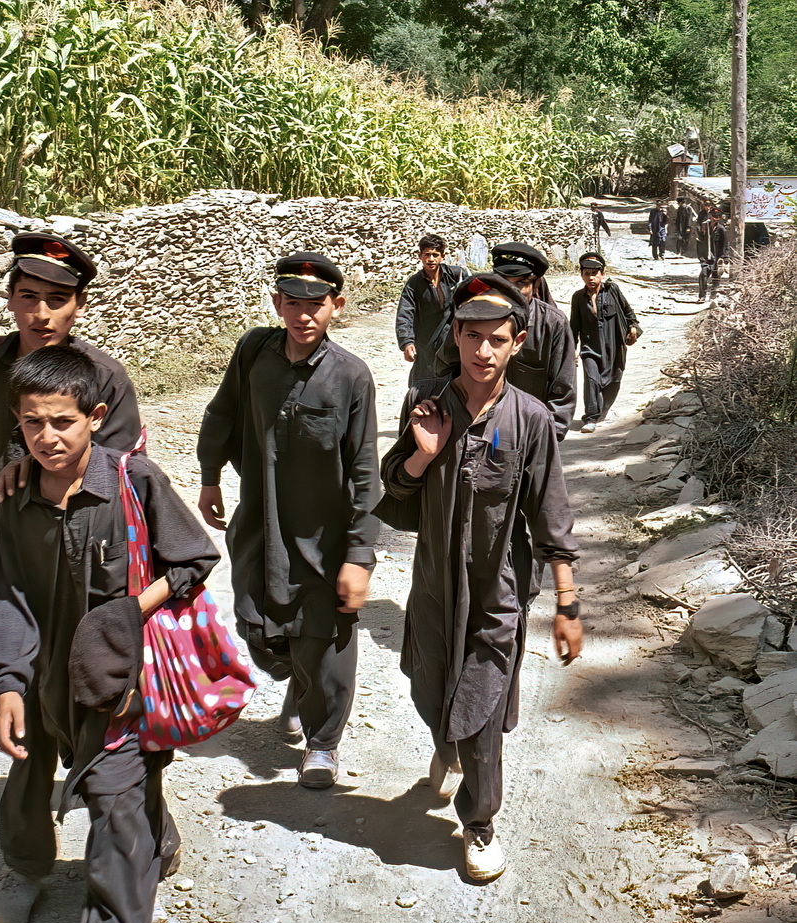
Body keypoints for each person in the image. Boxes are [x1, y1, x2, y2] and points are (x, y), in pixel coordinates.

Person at [0, 346, 219, 923]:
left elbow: (195, 558)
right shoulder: (19, 501)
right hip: (47, 683)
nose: (48, 438)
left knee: (115, 807)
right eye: (32, 425)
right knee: (60, 782)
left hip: (122, 684)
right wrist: (6, 686)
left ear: (96, 416)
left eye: (63, 422)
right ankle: (91, 851)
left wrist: (127, 612)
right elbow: (8, 598)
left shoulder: (135, 483)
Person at [378, 274, 582, 882]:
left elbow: (550, 512)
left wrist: (567, 602)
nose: (483, 352)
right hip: (436, 587)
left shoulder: (531, 420)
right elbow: (393, 490)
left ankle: (480, 823)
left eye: (496, 339)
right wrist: (422, 451)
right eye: (471, 336)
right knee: (432, 684)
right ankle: (449, 745)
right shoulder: (429, 404)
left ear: (517, 342)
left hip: (498, 592)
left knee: (484, 709)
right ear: (456, 337)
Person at [196, 252, 379, 789]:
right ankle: (298, 682)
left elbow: (366, 470)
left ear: (336, 307)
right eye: (292, 302)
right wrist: (210, 475)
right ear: (276, 303)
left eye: (315, 304)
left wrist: (360, 555)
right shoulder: (254, 353)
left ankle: (323, 744)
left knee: (322, 635)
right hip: (261, 523)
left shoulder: (351, 377)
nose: (303, 314)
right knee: (261, 630)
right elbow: (222, 411)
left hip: (325, 535)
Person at [0, 233, 141, 624]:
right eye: (29, 296)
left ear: (79, 306)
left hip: (86, 555)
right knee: (12, 667)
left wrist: (34, 465)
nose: (42, 315)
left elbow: (126, 474)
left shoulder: (105, 377)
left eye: (58, 299)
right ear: (11, 299)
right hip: (8, 553)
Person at [490, 243, 576, 440]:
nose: (512, 290)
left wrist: (550, 436)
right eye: (504, 282)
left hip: (531, 432)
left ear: (535, 285)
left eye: (521, 283)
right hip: (482, 429)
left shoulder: (553, 323)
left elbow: (564, 386)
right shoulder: (475, 317)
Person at [569, 252, 642, 433]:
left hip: (614, 346)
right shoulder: (578, 297)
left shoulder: (613, 291)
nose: (591, 278)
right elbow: (574, 326)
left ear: (602, 274)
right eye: (587, 273)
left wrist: (633, 329)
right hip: (590, 347)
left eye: (595, 273)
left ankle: (603, 411)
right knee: (592, 379)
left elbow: (629, 313)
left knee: (614, 379)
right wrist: (572, 349)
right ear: (582, 275)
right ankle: (591, 417)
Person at [395, 234, 469, 384]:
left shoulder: (457, 276)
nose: (431, 259)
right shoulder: (414, 284)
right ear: (419, 256)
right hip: (426, 342)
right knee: (423, 385)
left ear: (442, 257)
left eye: (435, 255)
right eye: (427, 254)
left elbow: (473, 303)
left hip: (453, 341)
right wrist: (407, 342)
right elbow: (405, 314)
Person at [697, 207, 728, 301]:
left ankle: (713, 295)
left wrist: (724, 257)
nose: (715, 218)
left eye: (717, 217)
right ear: (710, 216)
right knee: (703, 274)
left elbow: (725, 243)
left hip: (717, 257)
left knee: (716, 277)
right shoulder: (704, 227)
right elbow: (699, 241)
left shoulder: (721, 229)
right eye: (713, 216)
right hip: (707, 256)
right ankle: (702, 296)